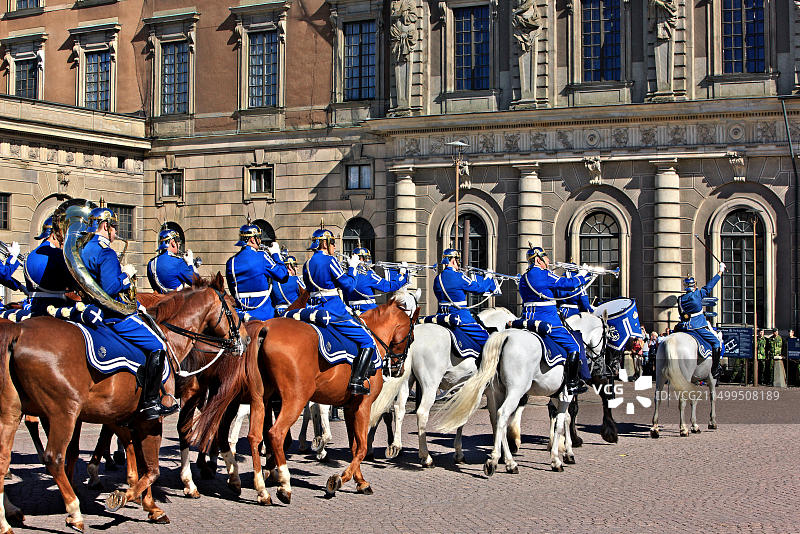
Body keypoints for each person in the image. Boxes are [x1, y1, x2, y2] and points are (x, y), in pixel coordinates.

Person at [80, 206, 176, 420]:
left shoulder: (84, 249)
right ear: (105, 226)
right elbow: (110, 288)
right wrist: (125, 275)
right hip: (112, 314)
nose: (116, 232)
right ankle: (151, 402)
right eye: (114, 227)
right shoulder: (105, 252)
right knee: (158, 345)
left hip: (91, 309)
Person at [302, 227, 377, 395]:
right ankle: (357, 381)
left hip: (312, 308)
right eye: (333, 243)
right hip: (333, 310)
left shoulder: (307, 264)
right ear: (325, 244)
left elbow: (309, 286)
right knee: (367, 340)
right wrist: (352, 268)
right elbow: (348, 286)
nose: (335, 247)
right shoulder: (330, 261)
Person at [518, 246, 590, 394]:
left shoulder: (524, 278)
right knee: (574, 346)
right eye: (545, 257)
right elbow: (568, 284)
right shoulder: (545, 275)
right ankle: (572, 383)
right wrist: (582, 275)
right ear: (538, 260)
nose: (548, 260)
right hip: (549, 320)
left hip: (527, 318)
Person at [433, 248, 500, 358]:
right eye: (457, 260)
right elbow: (480, 288)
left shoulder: (437, 279)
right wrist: (488, 277)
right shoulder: (459, 277)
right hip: (461, 317)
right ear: (453, 260)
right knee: (487, 340)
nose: (458, 263)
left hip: (441, 316)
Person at [226, 222, 288, 321]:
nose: (260, 240)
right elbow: (283, 276)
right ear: (252, 239)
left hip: (241, 316)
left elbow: (233, 290)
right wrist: (276, 254)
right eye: (258, 237)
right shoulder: (262, 256)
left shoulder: (231, 262)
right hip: (264, 315)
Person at [674, 263, 726, 379]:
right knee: (716, 343)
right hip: (697, 326)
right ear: (694, 285)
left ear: (685, 286)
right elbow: (710, 286)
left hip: (684, 326)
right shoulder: (697, 294)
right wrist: (720, 271)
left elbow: (682, 314)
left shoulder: (680, 299)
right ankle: (715, 369)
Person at [24, 215, 73, 314]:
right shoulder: (57, 255)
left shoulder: (29, 255)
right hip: (55, 307)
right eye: (62, 237)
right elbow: (70, 283)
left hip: (35, 307)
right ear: (54, 235)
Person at [342, 247, 408, 315]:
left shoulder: (347, 275)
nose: (367, 260)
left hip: (352, 312)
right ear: (361, 259)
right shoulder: (368, 274)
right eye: (367, 258)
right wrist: (402, 274)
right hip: (370, 311)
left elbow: (345, 297)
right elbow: (388, 287)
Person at [147, 228, 199, 293]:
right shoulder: (178, 262)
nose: (179, 244)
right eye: (178, 241)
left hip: (160, 299)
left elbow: (154, 288)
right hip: (177, 299)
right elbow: (197, 283)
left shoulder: (151, 263)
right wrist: (190, 264)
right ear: (173, 243)